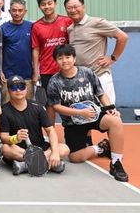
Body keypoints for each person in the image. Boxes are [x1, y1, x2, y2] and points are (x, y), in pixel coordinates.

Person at [47, 44, 128, 182]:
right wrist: (79, 112)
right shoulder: (54, 81)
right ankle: (102, 148)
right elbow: (56, 106)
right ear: (56, 61)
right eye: (60, 58)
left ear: (74, 58)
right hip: (73, 122)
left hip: (94, 114)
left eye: (68, 57)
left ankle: (116, 162)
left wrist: (109, 107)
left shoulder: (87, 73)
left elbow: (100, 93)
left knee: (115, 120)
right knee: (74, 158)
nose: (64, 61)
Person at [64, 0, 128, 104]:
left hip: (99, 75)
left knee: (108, 111)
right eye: (69, 8)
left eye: (75, 6)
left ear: (83, 7)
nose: (73, 10)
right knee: (86, 114)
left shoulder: (97, 22)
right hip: (80, 79)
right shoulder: (70, 28)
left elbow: (123, 37)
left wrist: (113, 58)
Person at [0, 75, 69, 175]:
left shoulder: (37, 107)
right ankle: (47, 163)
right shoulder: (4, 111)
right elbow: (3, 137)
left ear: (26, 89)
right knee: (5, 149)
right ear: (9, 91)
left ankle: (25, 166)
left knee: (64, 148)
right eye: (14, 88)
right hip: (20, 150)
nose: (18, 90)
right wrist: (15, 138)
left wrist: (54, 152)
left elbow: (50, 131)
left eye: (21, 87)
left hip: (40, 147)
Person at [31, 0, 72, 109]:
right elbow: (36, 49)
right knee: (50, 104)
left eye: (50, 3)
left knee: (70, 101)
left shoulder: (67, 21)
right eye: (43, 4)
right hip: (46, 71)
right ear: (39, 7)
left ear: (55, 4)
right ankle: (50, 127)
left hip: (67, 68)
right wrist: (35, 72)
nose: (47, 7)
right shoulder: (36, 26)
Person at [0, 0, 34, 103]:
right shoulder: (3, 28)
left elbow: (36, 50)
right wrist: (0, 71)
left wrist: (36, 71)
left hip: (27, 75)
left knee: (28, 107)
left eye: (20, 10)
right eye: (14, 10)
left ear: (25, 11)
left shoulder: (31, 27)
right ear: (9, 11)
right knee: (6, 107)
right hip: (7, 75)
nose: (17, 13)